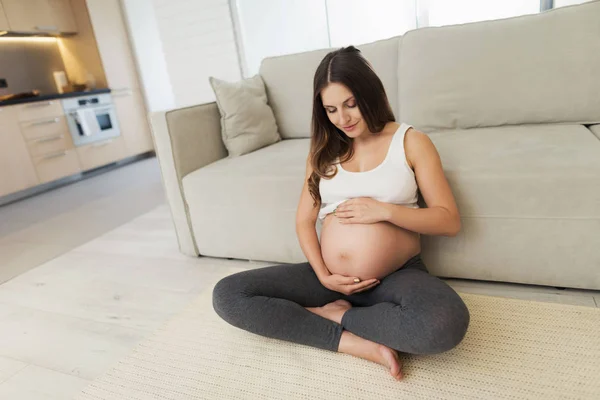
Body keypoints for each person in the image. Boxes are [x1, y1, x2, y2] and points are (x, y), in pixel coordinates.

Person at [213, 46, 470, 381]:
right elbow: (304, 220)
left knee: (445, 324)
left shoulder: (410, 141)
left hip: (393, 276)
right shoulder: (323, 151)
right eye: (331, 109)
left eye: (351, 104)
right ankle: (350, 341)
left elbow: (447, 219)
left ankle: (337, 317)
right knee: (229, 296)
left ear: (370, 94)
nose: (343, 118)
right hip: (329, 280)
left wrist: (384, 211)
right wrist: (322, 274)